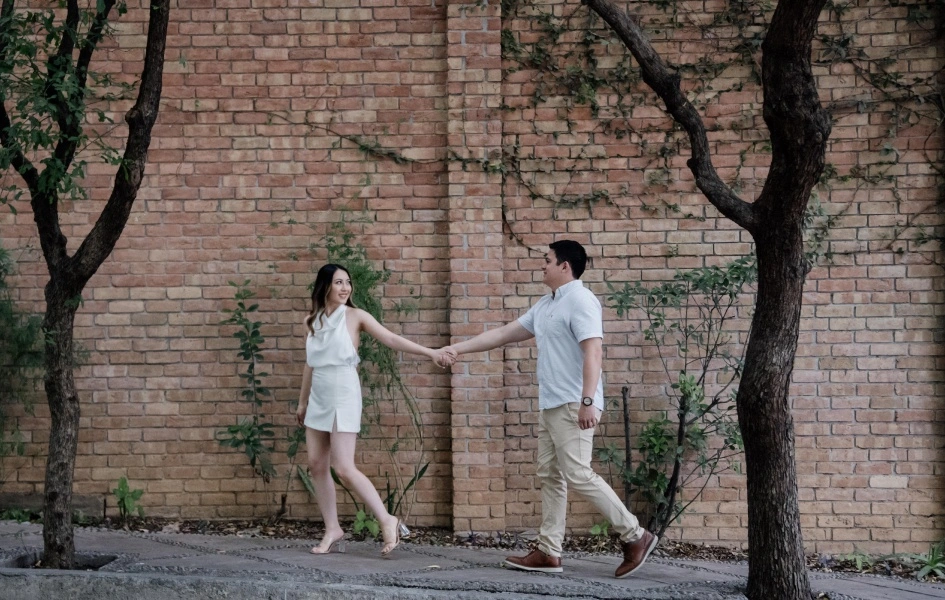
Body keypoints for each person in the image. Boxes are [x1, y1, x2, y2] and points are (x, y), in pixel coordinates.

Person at [441, 240, 657, 578]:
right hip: (552, 403)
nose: (542, 266)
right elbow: (503, 334)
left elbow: (593, 352)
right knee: (550, 475)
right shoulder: (547, 304)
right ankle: (549, 551)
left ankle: (635, 535)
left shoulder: (582, 300)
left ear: (565, 266)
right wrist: (457, 348)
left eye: (547, 260)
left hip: (574, 402)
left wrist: (588, 400)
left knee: (578, 473)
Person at [296, 263, 454, 556]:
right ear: (325, 286)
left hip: (343, 391)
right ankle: (332, 528)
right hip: (318, 392)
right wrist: (302, 401)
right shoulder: (312, 321)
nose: (345, 288)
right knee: (317, 464)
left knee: (343, 467)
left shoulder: (355, 316)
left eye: (348, 282)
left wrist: (431, 352)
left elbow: (391, 339)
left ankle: (387, 519)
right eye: (338, 282)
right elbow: (310, 363)